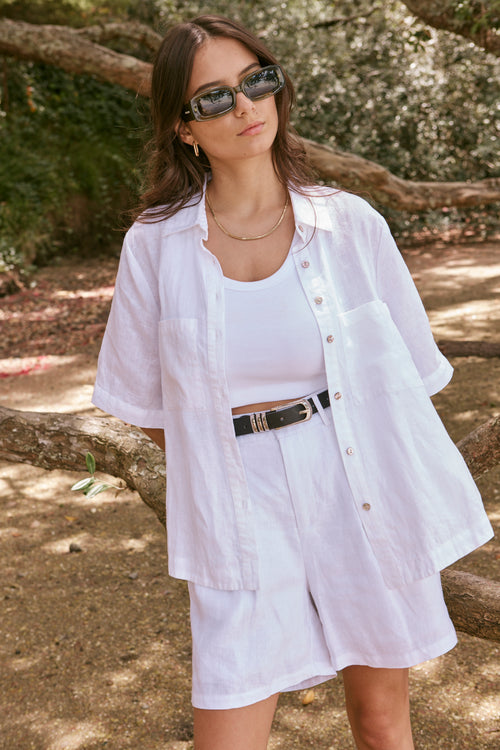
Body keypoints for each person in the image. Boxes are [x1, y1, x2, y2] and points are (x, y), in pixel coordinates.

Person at [92, 14, 493, 750]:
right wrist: (233, 453)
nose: (244, 107)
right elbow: (146, 405)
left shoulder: (351, 224)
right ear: (183, 127)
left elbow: (408, 378)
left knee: (381, 724)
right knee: (229, 732)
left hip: (358, 487)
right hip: (239, 501)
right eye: (212, 98)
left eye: (256, 82)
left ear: (278, 87)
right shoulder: (153, 246)